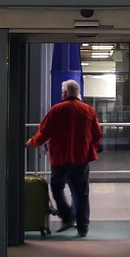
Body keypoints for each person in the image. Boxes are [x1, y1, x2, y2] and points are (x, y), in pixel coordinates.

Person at [26, 79, 102, 237]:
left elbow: (44, 132)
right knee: (81, 193)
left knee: (56, 186)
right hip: (82, 158)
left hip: (61, 158)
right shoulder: (88, 110)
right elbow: (97, 134)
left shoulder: (57, 109)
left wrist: (32, 142)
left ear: (65, 93)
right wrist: (90, 149)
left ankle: (67, 216)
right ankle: (83, 227)